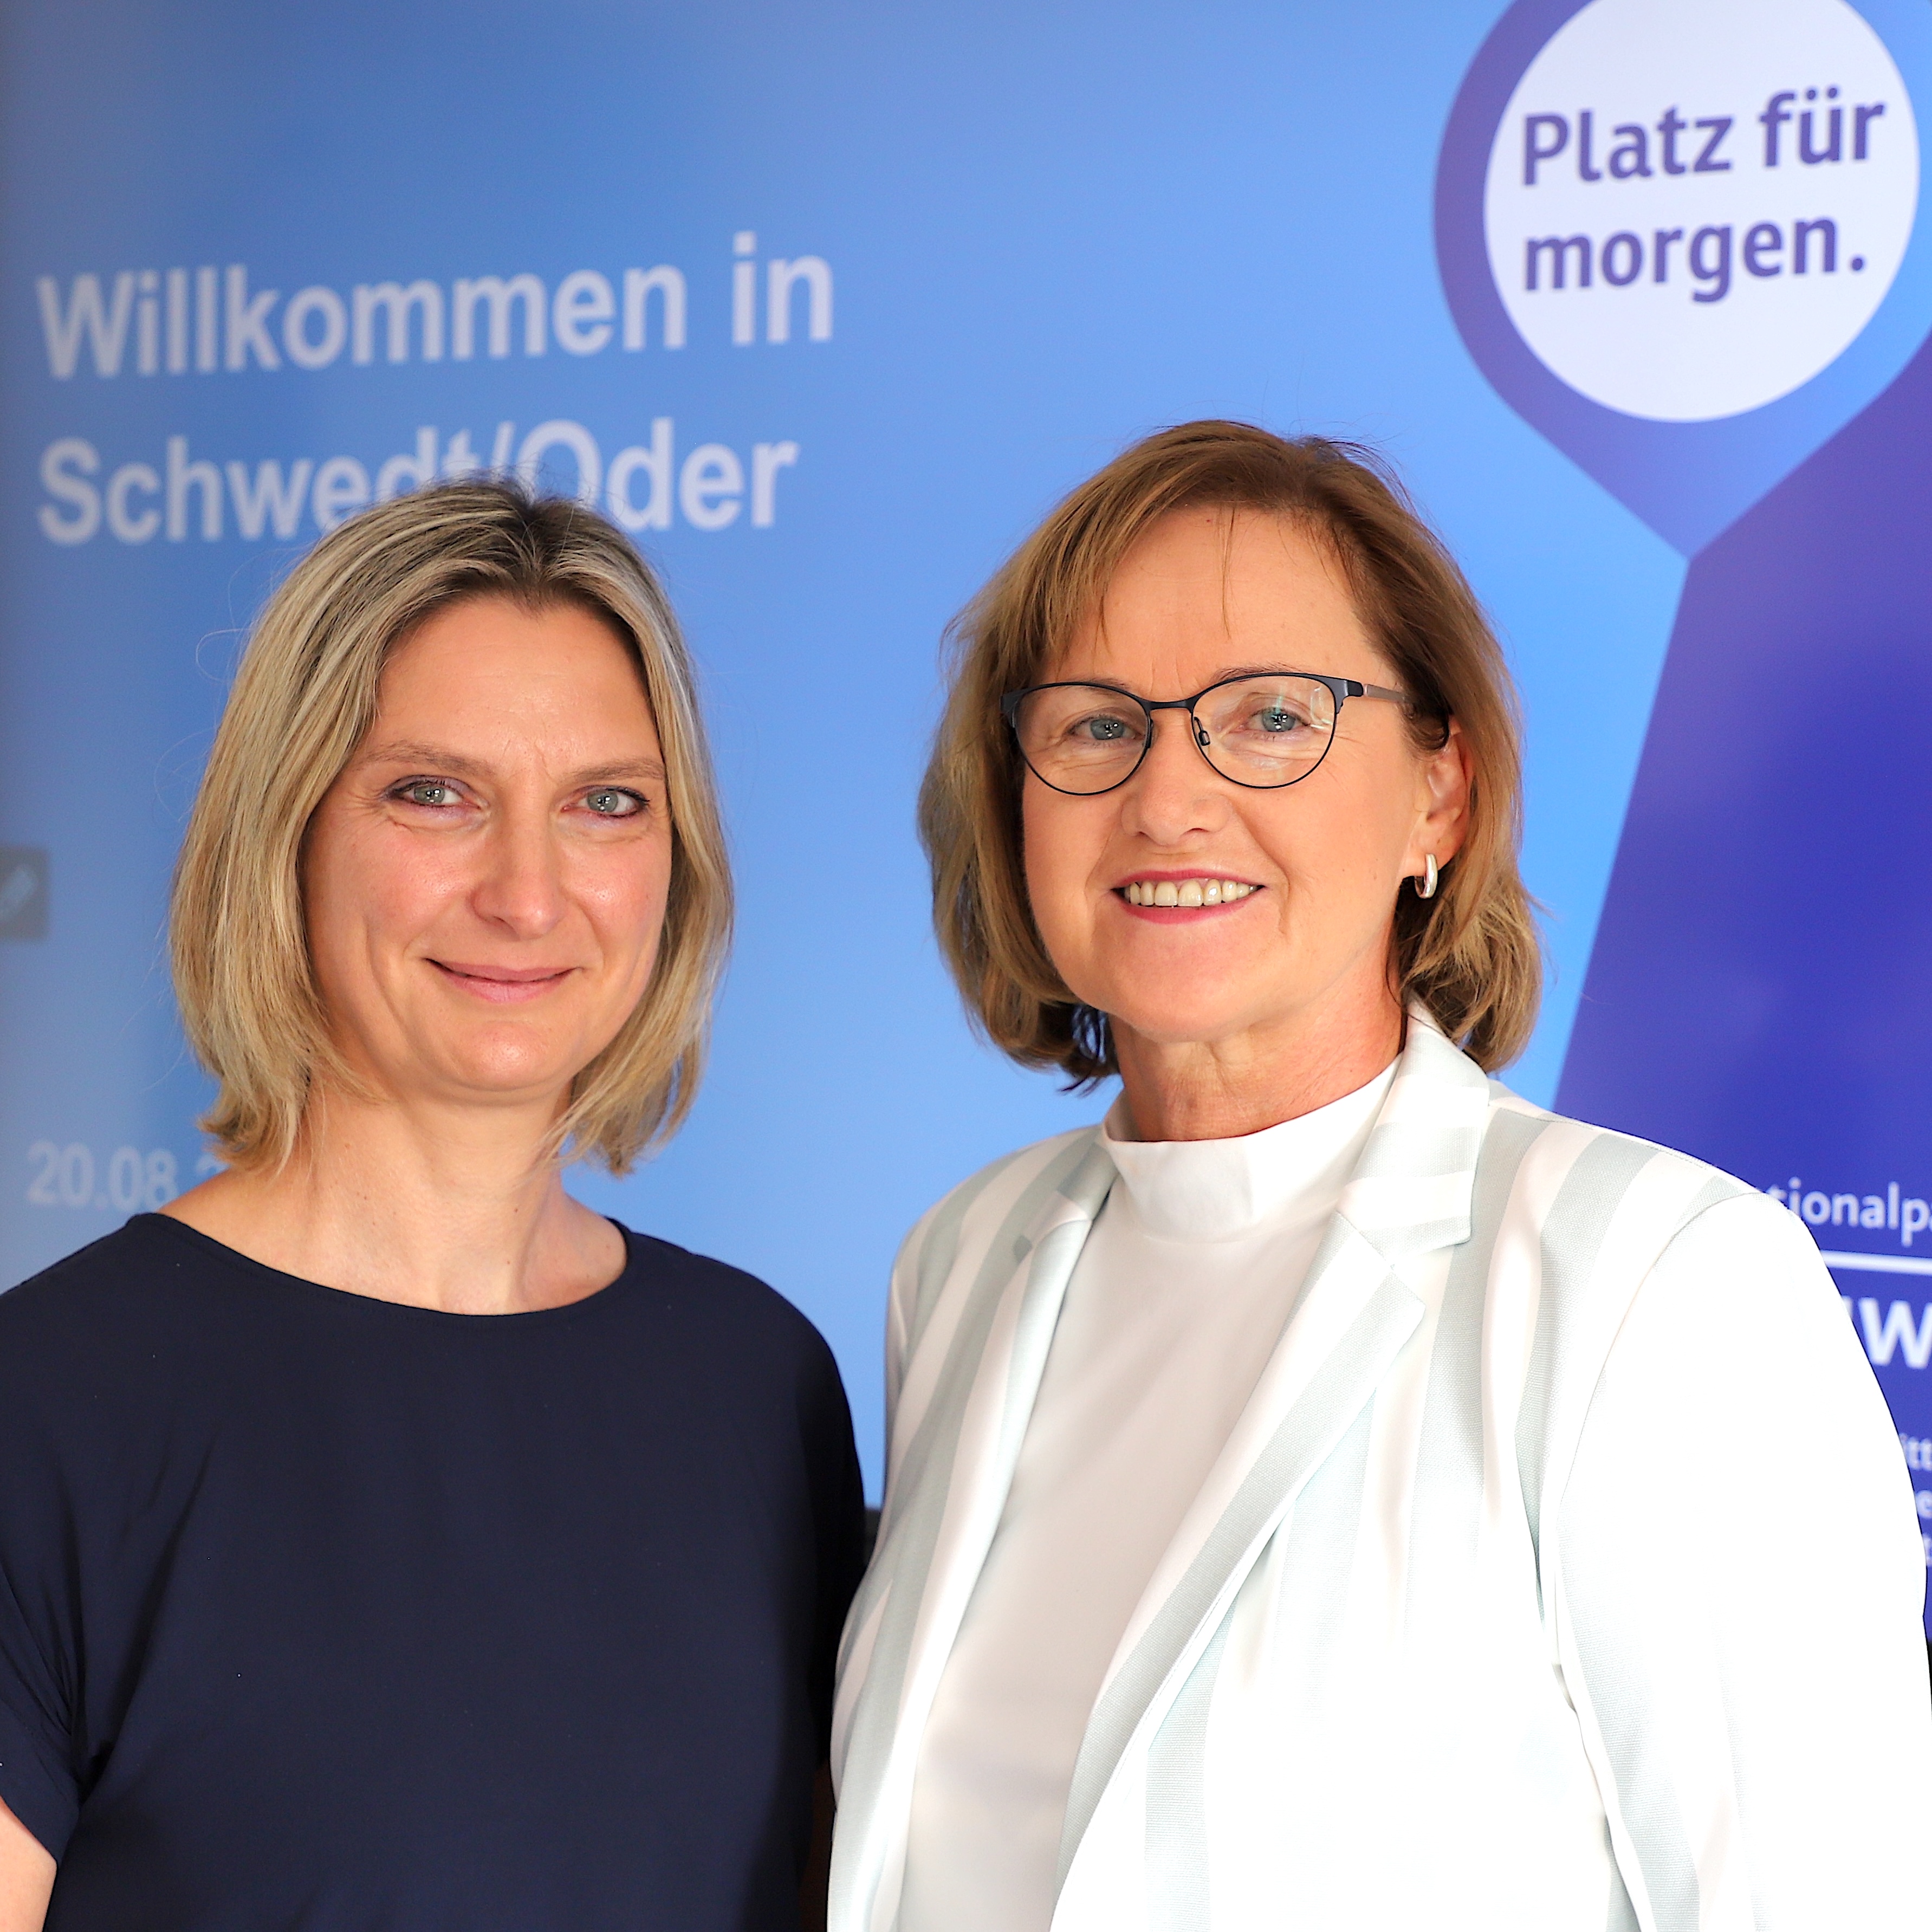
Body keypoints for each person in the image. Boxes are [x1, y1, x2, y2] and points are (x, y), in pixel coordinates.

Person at [829, 422, 1931, 1931]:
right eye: (1094, 726)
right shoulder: (962, 1263)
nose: (1167, 798)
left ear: (1439, 795)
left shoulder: (1657, 1287)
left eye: (1273, 717)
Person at [0, 481, 865, 1932]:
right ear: (287, 831)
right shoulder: (49, 1407)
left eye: (606, 804)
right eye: (435, 794)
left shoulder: (758, 1383)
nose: (528, 894)